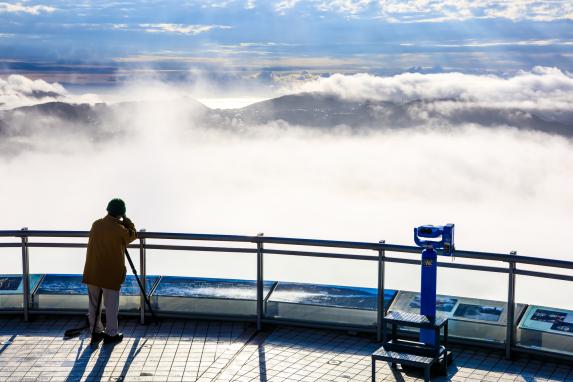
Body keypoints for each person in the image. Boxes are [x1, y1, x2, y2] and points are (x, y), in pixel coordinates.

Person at [82, 198, 137, 344]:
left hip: (92, 271)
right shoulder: (119, 229)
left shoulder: (96, 224)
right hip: (110, 274)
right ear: (120, 213)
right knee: (111, 306)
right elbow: (132, 235)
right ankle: (111, 334)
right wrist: (126, 220)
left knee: (93, 305)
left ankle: (95, 331)